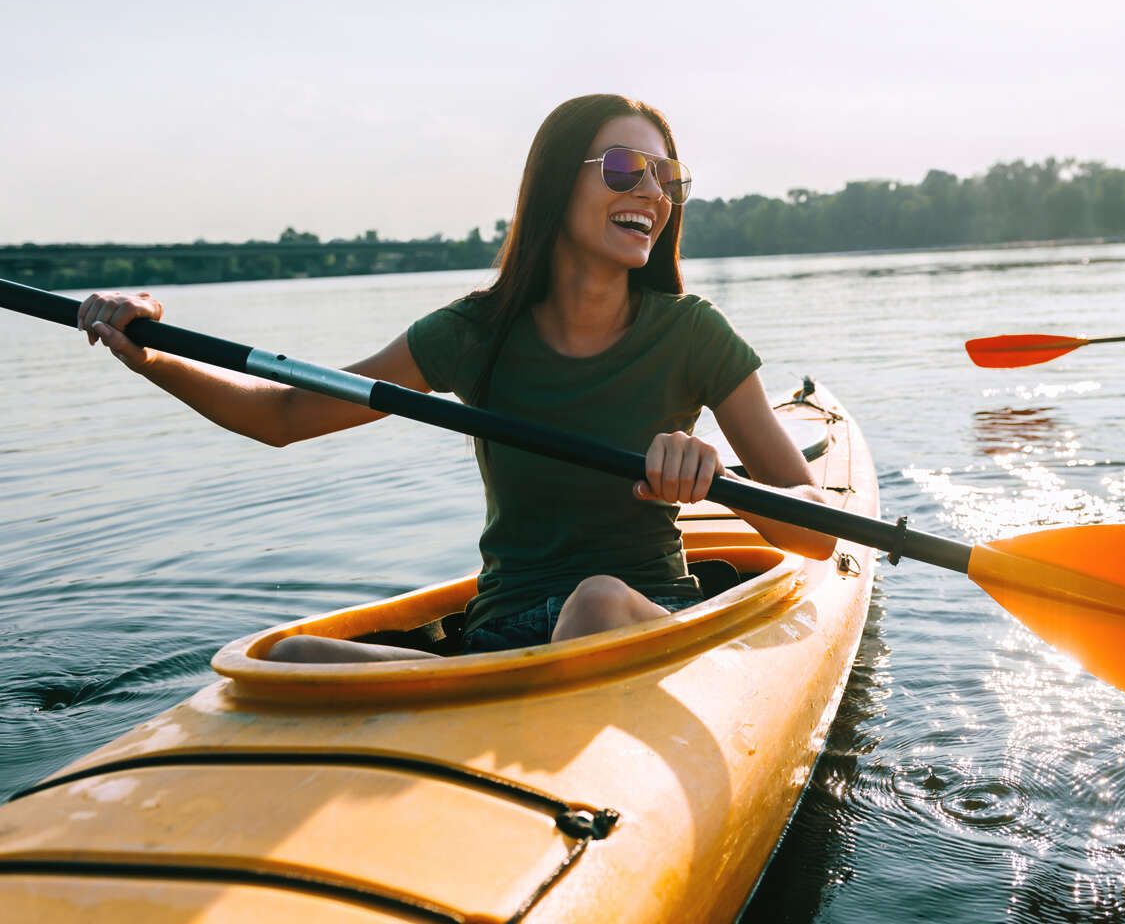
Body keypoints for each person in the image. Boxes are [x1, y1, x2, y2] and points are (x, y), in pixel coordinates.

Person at [75, 94, 837, 662]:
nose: (652, 192)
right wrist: (150, 352)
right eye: (623, 168)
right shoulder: (475, 332)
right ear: (553, 184)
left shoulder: (692, 332)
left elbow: (811, 530)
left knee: (596, 601)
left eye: (668, 177)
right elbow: (282, 415)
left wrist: (711, 477)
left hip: (637, 618)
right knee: (285, 655)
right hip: (499, 637)